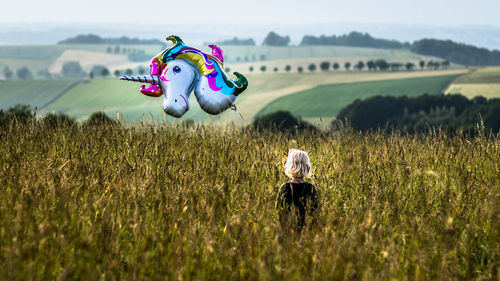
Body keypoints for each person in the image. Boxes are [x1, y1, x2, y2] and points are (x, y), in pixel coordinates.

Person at [276, 149, 319, 232]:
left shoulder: (285, 187)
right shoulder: (311, 188)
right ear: (307, 166)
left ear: (290, 165)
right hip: (307, 232)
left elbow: (278, 211)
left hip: (288, 231)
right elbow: (315, 213)